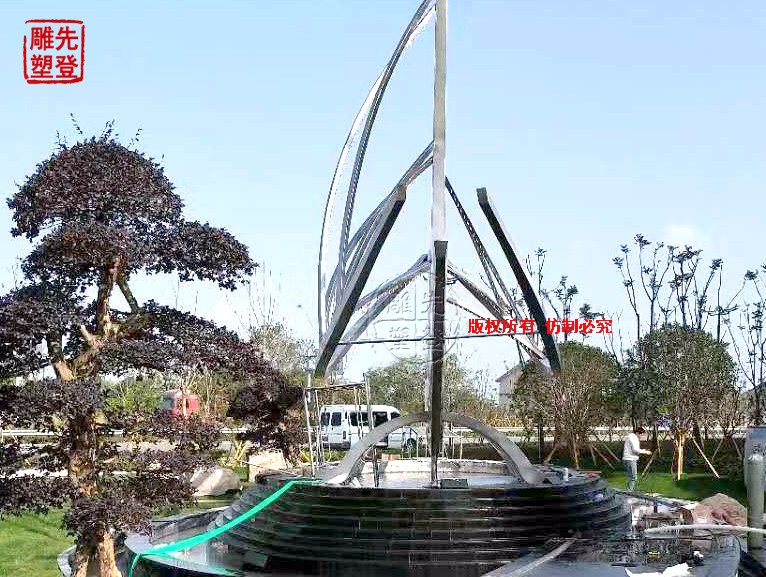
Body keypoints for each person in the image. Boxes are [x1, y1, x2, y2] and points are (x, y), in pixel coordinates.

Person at [622, 426, 651, 492]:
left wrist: (643, 450)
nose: (641, 436)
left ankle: (628, 491)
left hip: (627, 459)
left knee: (630, 477)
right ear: (637, 433)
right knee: (633, 478)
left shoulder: (630, 436)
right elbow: (635, 450)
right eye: (641, 435)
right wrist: (646, 452)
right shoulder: (634, 438)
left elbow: (633, 448)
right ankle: (629, 492)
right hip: (631, 459)